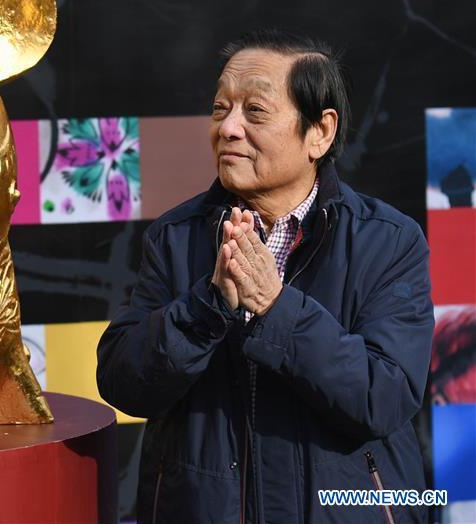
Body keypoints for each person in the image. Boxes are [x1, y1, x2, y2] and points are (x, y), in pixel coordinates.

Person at [97, 30, 434, 524]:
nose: (228, 128)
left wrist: (277, 309)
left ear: (320, 132)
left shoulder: (389, 240)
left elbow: (382, 397)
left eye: (254, 112)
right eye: (220, 109)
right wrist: (206, 307)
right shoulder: (175, 237)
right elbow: (123, 382)